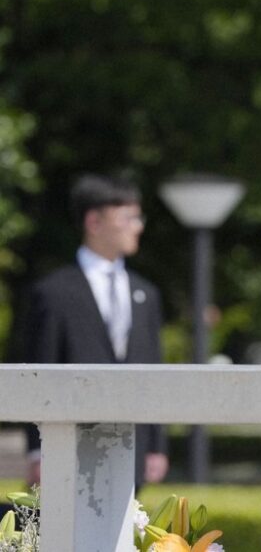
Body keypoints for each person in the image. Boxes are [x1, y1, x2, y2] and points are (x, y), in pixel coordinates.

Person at [20, 173, 168, 487]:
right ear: (94, 222)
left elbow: (154, 369)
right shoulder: (54, 292)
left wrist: (156, 445)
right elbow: (38, 372)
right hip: (70, 446)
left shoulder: (146, 293)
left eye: (138, 218)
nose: (138, 227)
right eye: (128, 217)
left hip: (133, 445)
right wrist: (37, 451)